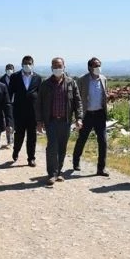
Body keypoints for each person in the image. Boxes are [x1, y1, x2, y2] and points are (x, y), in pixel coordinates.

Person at [36, 57, 82, 185]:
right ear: (51, 68)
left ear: (64, 67)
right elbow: (39, 104)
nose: (57, 68)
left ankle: (58, 172)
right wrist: (39, 121)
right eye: (55, 66)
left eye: (59, 66)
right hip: (51, 121)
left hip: (65, 121)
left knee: (62, 147)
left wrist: (79, 118)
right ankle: (52, 173)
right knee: (52, 147)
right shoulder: (45, 84)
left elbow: (78, 102)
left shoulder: (71, 83)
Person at [72, 57, 109, 176]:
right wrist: (78, 116)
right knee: (82, 139)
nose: (98, 68)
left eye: (99, 65)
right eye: (95, 66)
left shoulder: (103, 79)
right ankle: (76, 161)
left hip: (100, 114)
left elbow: (104, 95)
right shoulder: (82, 80)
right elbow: (77, 98)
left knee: (103, 141)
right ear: (89, 68)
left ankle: (101, 168)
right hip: (87, 114)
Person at [9, 55, 41, 167]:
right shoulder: (15, 76)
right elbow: (9, 94)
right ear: (22, 64)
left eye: (29, 63)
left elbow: (40, 95)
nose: (27, 65)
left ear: (33, 64)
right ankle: (16, 151)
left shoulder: (37, 77)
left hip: (33, 112)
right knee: (19, 135)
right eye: (25, 63)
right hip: (19, 111)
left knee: (32, 136)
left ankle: (31, 158)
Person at [0, 63, 15, 149]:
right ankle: (9, 140)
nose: (9, 70)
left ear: (13, 69)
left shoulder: (16, 79)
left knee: (15, 122)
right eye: (8, 68)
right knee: (8, 122)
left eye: (11, 68)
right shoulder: (2, 80)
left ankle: (14, 139)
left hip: (15, 103)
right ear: (5, 70)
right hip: (5, 104)